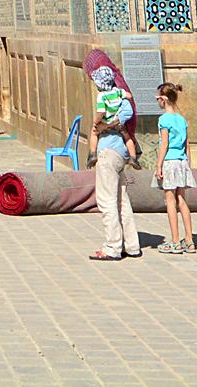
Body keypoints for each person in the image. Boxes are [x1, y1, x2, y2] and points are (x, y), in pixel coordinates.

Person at [83, 48, 141, 260]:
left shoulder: (106, 95)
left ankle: (112, 247)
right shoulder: (121, 91)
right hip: (122, 150)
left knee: (106, 200)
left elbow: (117, 119)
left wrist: (102, 126)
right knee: (121, 199)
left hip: (109, 152)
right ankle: (131, 245)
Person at [153, 81, 195, 254]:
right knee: (182, 200)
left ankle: (175, 240)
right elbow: (187, 145)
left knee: (170, 201)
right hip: (182, 162)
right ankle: (190, 240)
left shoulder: (164, 120)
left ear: (163, 100)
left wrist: (158, 165)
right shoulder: (182, 119)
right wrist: (188, 164)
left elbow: (164, 144)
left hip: (169, 162)